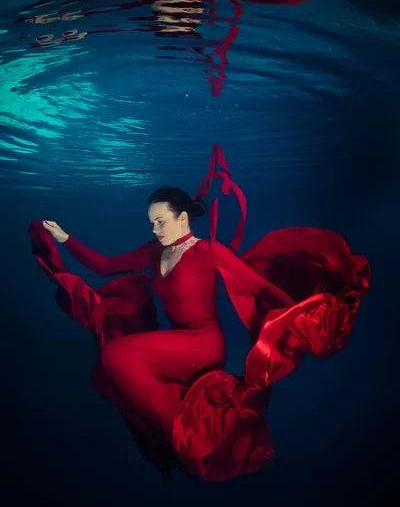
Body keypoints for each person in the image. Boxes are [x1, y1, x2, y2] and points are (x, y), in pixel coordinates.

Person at [29, 144, 371, 484]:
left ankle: (188, 445)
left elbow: (260, 288)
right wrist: (65, 238)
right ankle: (178, 440)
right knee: (112, 366)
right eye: (151, 223)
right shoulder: (153, 251)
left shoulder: (209, 251)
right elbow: (104, 267)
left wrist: (300, 315)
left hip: (205, 345)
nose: (155, 230)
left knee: (116, 356)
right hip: (179, 346)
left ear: (182, 218)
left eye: (160, 222)